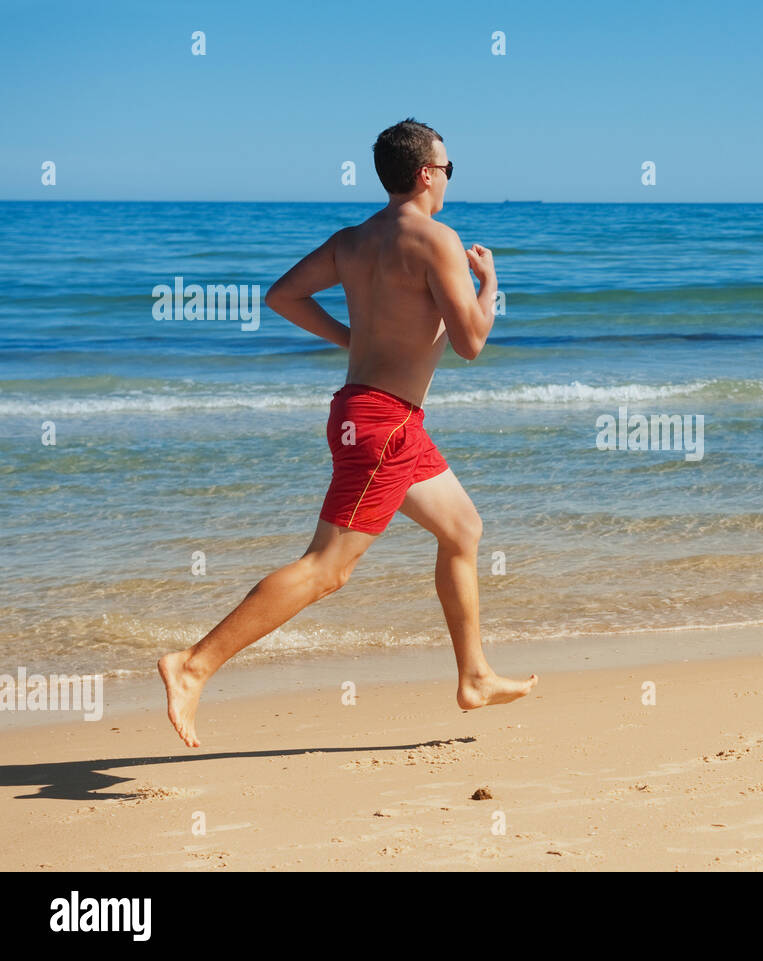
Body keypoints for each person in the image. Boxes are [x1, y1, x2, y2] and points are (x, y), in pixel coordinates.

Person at [158, 119, 537, 747]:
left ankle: (474, 676)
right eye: (447, 169)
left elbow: (282, 296)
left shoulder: (352, 240)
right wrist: (489, 283)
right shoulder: (439, 240)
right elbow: (470, 342)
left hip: (371, 415)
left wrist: (352, 338)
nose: (448, 180)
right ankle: (193, 665)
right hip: (383, 425)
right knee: (326, 568)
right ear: (425, 174)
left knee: (462, 529)